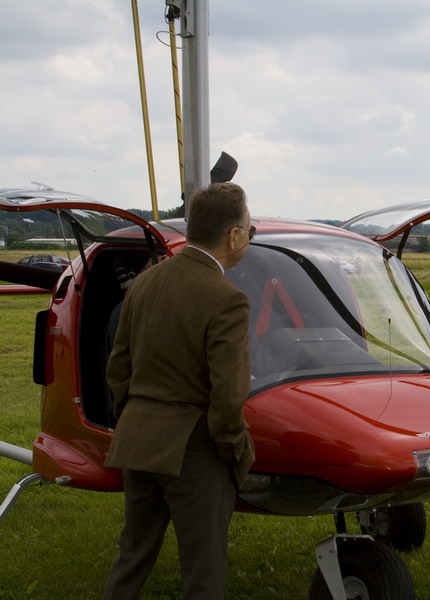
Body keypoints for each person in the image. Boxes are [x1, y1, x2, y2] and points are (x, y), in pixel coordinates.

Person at [102, 182, 256, 599]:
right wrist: (231, 445)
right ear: (233, 235)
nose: (248, 236)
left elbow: (118, 368)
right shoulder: (228, 298)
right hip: (193, 447)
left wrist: (131, 416)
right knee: (203, 573)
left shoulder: (144, 284)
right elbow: (229, 393)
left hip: (138, 437)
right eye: (249, 228)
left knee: (132, 558)